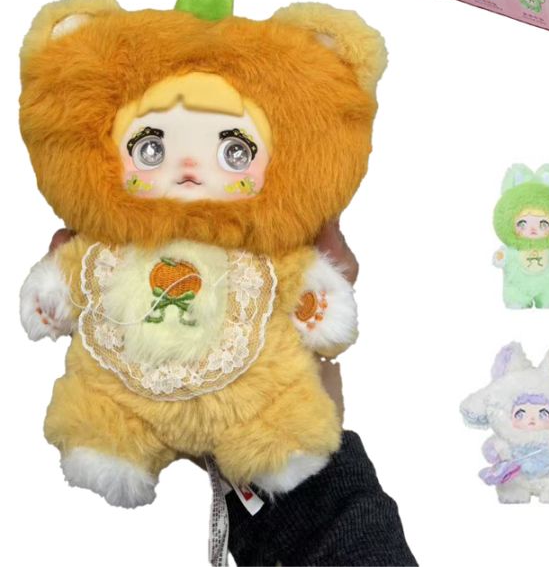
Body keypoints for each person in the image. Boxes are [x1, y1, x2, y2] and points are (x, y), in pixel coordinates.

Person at [47, 223, 417, 567]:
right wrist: (53, 293)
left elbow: (298, 278)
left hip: (251, 386)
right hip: (132, 371)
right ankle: (109, 440)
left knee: (276, 408)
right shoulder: (111, 246)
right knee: (106, 389)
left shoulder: (262, 247)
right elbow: (70, 275)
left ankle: (279, 448)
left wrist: (317, 299)